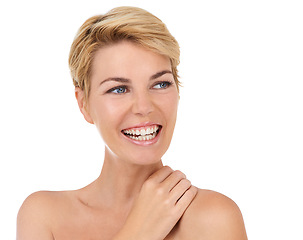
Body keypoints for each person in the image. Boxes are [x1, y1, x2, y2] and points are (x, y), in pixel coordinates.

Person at [17, 6, 247, 240]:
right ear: (83, 104)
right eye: (119, 89)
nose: (144, 107)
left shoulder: (214, 218)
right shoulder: (44, 216)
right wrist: (139, 232)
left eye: (160, 84)